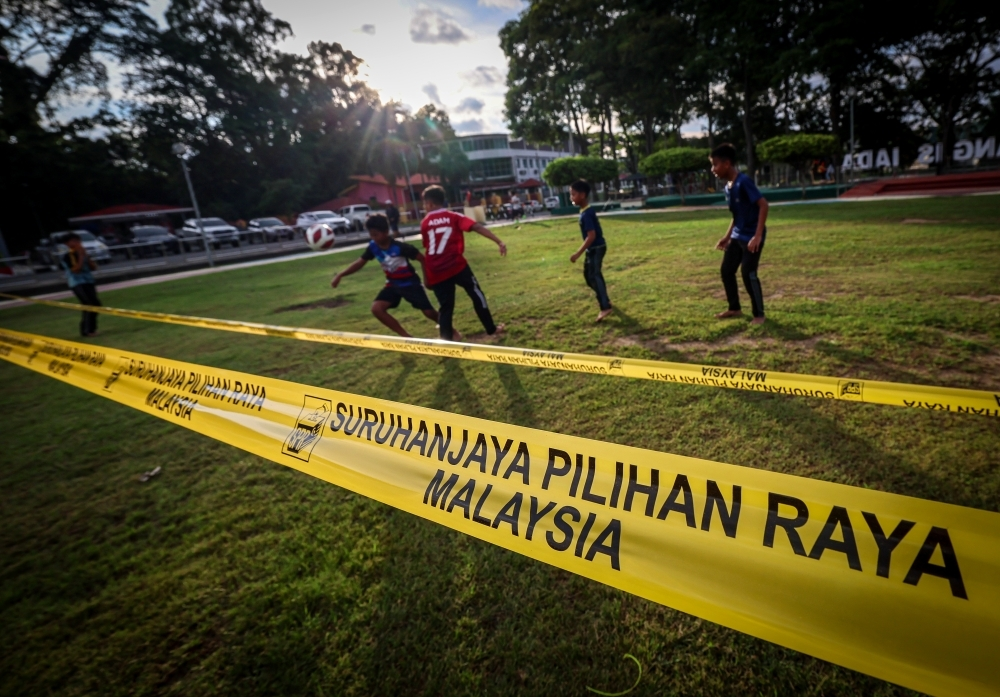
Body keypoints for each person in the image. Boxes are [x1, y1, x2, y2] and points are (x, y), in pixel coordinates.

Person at [331, 214, 457, 338]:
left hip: (410, 284)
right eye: (371, 234)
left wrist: (427, 279)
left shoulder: (400, 247)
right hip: (392, 285)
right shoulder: (373, 247)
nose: (373, 238)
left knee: (429, 312)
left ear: (386, 232)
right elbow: (360, 262)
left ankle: (452, 331)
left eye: (376, 234)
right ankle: (406, 337)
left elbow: (422, 259)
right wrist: (341, 275)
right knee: (377, 309)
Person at [419, 185, 506, 341]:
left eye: (424, 204)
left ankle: (447, 341)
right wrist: (498, 241)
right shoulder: (454, 217)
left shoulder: (425, 223)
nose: (424, 207)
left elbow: (427, 247)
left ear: (430, 204)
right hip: (456, 265)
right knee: (476, 294)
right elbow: (477, 226)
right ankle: (491, 329)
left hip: (435, 269)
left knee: (445, 307)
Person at [710, 143, 769, 325]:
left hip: (752, 236)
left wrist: (757, 236)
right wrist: (727, 237)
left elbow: (763, 205)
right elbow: (737, 214)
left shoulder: (744, 182)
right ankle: (734, 308)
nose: (713, 170)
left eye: (715, 165)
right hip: (737, 235)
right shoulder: (728, 187)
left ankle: (759, 314)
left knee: (748, 273)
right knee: (727, 270)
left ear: (727, 164)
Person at [569, 180, 613, 322]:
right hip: (592, 249)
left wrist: (577, 253)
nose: (571, 197)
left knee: (595, 275)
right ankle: (604, 298)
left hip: (597, 247)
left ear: (582, 195)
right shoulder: (584, 212)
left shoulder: (587, 213)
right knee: (589, 277)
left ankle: (605, 306)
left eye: (573, 194)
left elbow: (592, 236)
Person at [60, 232, 102, 337]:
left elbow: (93, 267)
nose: (77, 243)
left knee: (96, 304)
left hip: (88, 281)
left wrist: (86, 256)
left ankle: (91, 329)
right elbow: (76, 270)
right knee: (88, 304)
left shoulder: (84, 253)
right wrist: (81, 256)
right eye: (73, 241)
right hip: (77, 283)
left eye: (78, 241)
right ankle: (87, 331)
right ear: (67, 243)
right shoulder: (68, 256)